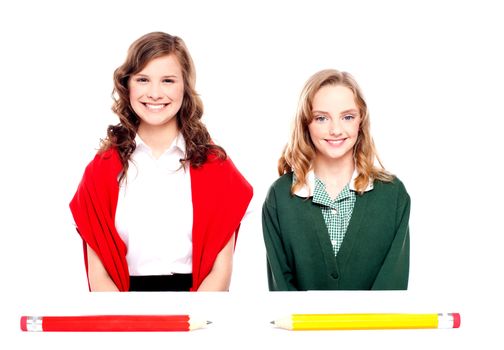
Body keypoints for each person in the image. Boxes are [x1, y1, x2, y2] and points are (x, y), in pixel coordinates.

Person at [70, 32, 253, 292]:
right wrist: (128, 325)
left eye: (168, 80)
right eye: (143, 79)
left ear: (185, 87)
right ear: (128, 85)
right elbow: (98, 277)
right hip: (122, 309)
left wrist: (194, 319)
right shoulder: (100, 171)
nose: (155, 93)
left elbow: (219, 273)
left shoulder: (216, 167)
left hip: (198, 307)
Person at [262, 69, 410, 291]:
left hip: (373, 326)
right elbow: (282, 289)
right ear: (306, 123)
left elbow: (392, 285)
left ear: (361, 121)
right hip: (303, 325)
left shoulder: (393, 195)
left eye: (347, 117)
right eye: (321, 118)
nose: (335, 130)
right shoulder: (281, 197)